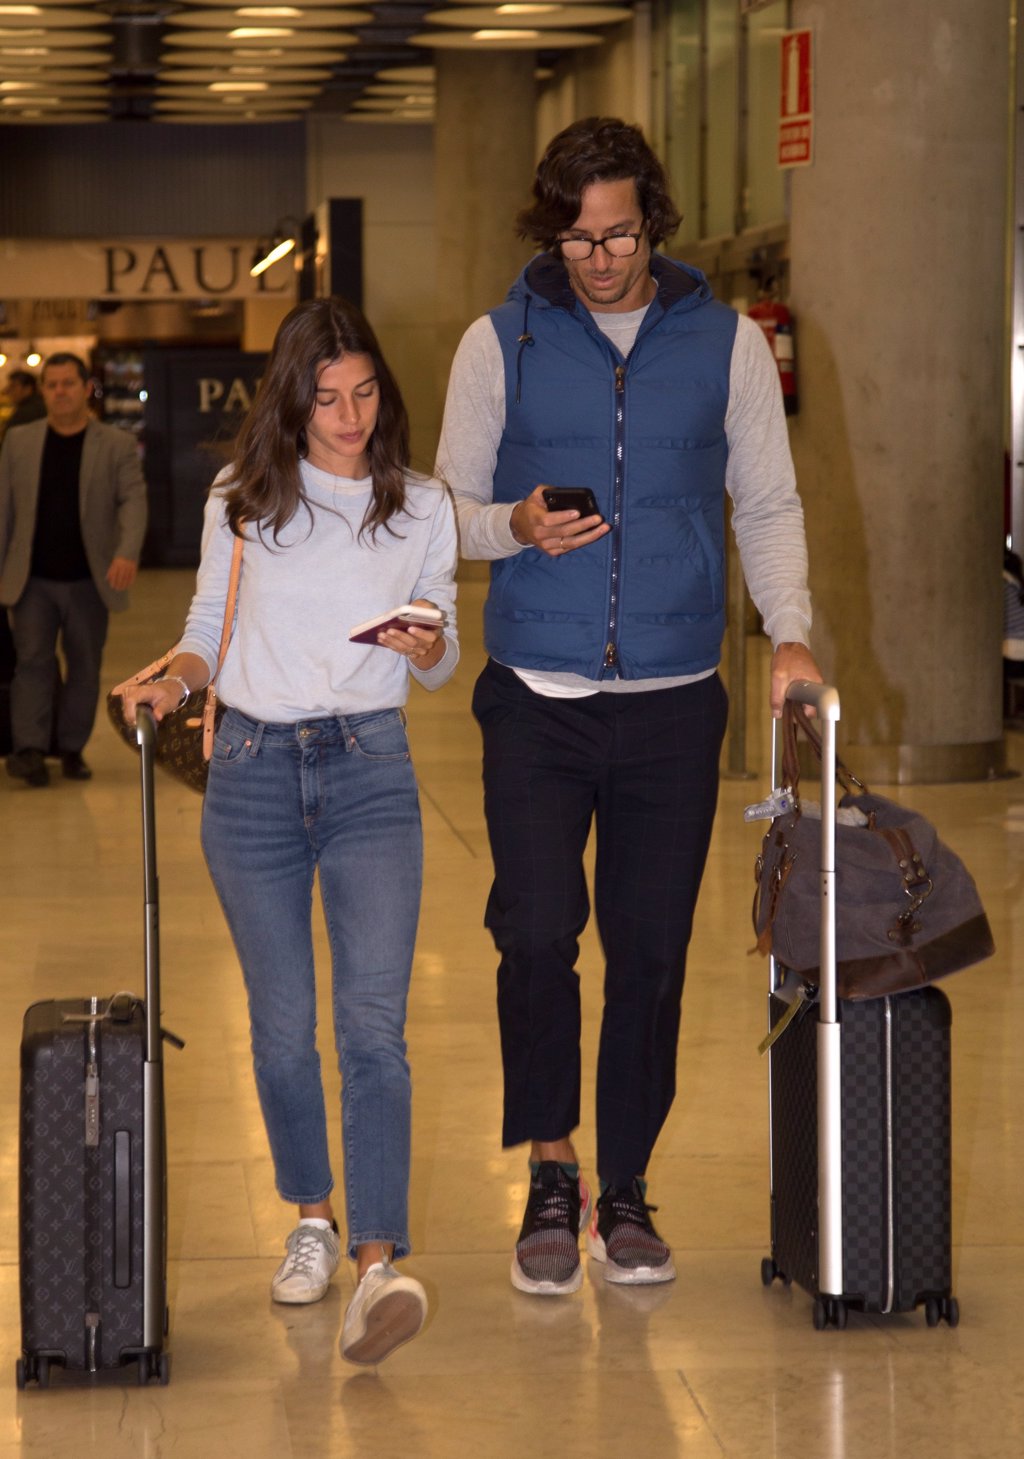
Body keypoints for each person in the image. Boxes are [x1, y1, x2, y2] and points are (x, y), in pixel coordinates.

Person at [436, 116, 822, 1297]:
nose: (597, 260)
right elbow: (440, 509)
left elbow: (765, 502)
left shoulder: (725, 344)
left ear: (652, 219)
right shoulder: (496, 342)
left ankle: (624, 1188)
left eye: (617, 235)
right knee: (538, 932)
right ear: (548, 233)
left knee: (650, 954)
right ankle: (551, 1168)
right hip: (536, 699)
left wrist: (791, 633)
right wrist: (513, 527)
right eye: (575, 239)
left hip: (672, 702)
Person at [122, 297, 459, 1366]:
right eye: (326, 397)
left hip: (370, 771)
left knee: (373, 1029)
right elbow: (203, 636)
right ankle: (310, 1218)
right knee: (278, 1029)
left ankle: (376, 1265)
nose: (349, 416)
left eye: (364, 394)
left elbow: (444, 651)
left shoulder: (421, 507)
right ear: (293, 398)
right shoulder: (242, 496)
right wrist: (174, 680)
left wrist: (423, 647)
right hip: (255, 775)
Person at [0, 352, 147, 787]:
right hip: (31, 579)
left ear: (86, 390)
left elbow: (133, 501)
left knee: (84, 665)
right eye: (52, 384)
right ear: (43, 391)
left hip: (89, 580)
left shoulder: (115, 445)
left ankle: (70, 749)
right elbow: (4, 510)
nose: (59, 391)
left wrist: (126, 552)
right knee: (32, 664)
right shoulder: (19, 441)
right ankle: (28, 750)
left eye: (68, 383)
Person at [1, 369, 47, 439]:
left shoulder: (27, 412)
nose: (8, 390)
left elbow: (10, 440)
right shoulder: (41, 405)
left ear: (27, 389)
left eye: (13, 386)